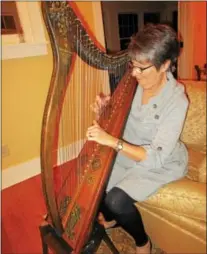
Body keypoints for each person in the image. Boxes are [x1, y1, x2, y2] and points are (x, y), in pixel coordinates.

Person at [86, 24, 189, 254]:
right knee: (95, 183)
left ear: (164, 65)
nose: (133, 73)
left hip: (159, 162)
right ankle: (112, 220)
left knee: (115, 200)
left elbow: (154, 157)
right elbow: (119, 114)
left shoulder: (177, 102)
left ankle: (143, 242)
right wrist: (105, 108)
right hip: (127, 152)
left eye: (142, 68)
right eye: (133, 65)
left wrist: (112, 142)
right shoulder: (133, 83)